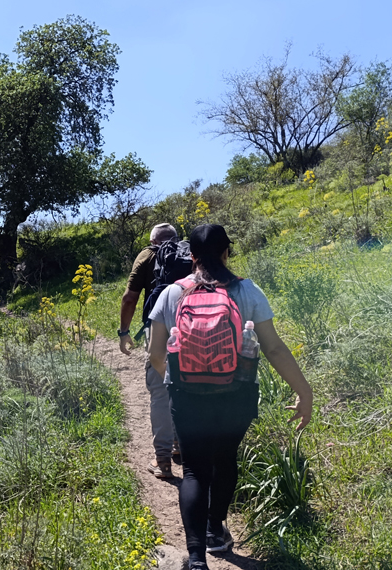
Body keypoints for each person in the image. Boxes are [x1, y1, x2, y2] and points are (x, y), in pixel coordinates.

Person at [148, 224, 313, 570]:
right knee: (224, 460)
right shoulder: (248, 291)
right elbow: (274, 348)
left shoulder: (170, 294)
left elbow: (155, 353)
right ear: (227, 252)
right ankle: (215, 532)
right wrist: (304, 390)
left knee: (193, 470)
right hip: (236, 394)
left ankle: (195, 559)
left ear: (190, 257)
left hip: (187, 395)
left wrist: (175, 382)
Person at [119, 222, 179, 479]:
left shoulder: (146, 256)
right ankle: (182, 447)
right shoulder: (190, 253)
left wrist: (124, 332)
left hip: (159, 330)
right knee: (185, 386)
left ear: (152, 240)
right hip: (193, 328)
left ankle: (162, 460)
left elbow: (130, 297)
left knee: (160, 391)